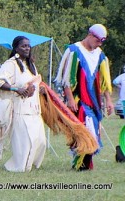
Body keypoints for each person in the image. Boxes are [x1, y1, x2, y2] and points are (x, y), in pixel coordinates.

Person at [55, 24, 113, 171]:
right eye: (98, 40)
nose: (99, 44)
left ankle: (85, 163)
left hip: (94, 101)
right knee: (85, 130)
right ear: (90, 35)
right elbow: (66, 78)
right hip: (78, 99)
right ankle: (80, 163)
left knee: (93, 129)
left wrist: (109, 100)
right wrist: (69, 99)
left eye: (102, 42)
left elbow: (104, 81)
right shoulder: (74, 50)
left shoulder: (100, 55)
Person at [0, 36, 46, 172]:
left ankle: (31, 164)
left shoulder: (31, 66)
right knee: (25, 142)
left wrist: (40, 89)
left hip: (34, 109)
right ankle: (18, 166)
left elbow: (35, 83)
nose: (27, 48)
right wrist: (16, 89)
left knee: (40, 140)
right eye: (23, 46)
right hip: (20, 109)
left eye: (28, 46)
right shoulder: (11, 64)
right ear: (16, 48)